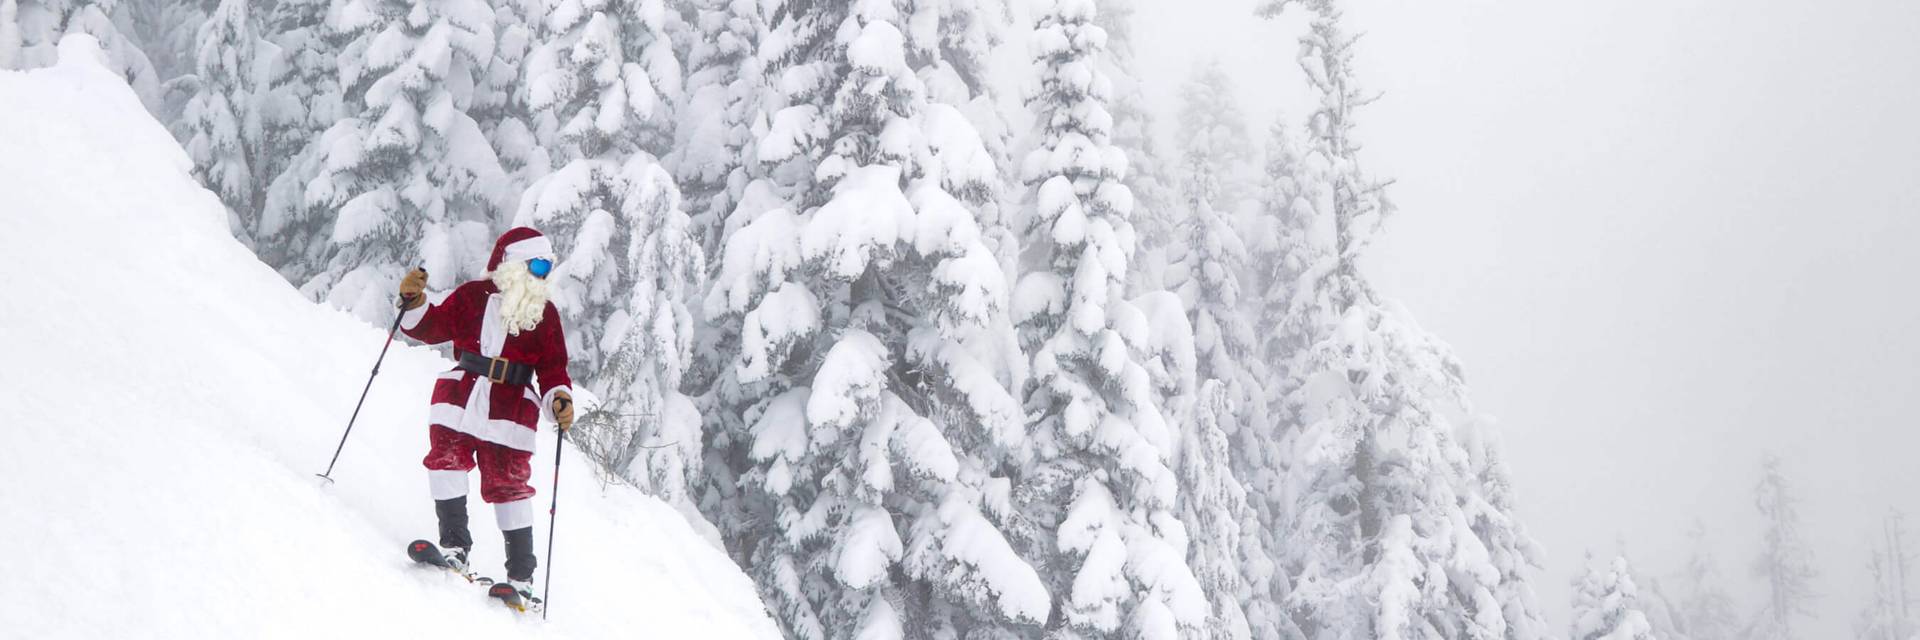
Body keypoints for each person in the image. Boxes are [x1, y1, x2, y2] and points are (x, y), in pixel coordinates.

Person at [396, 226, 574, 601]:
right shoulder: (472, 297)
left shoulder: (545, 315)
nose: (542, 275)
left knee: (508, 485)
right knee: (445, 459)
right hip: (461, 393)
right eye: (537, 265)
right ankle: (454, 547)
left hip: (511, 411)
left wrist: (559, 398)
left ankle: (522, 577)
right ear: (512, 264)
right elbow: (432, 327)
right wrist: (414, 303)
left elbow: (554, 368)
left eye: (547, 268)